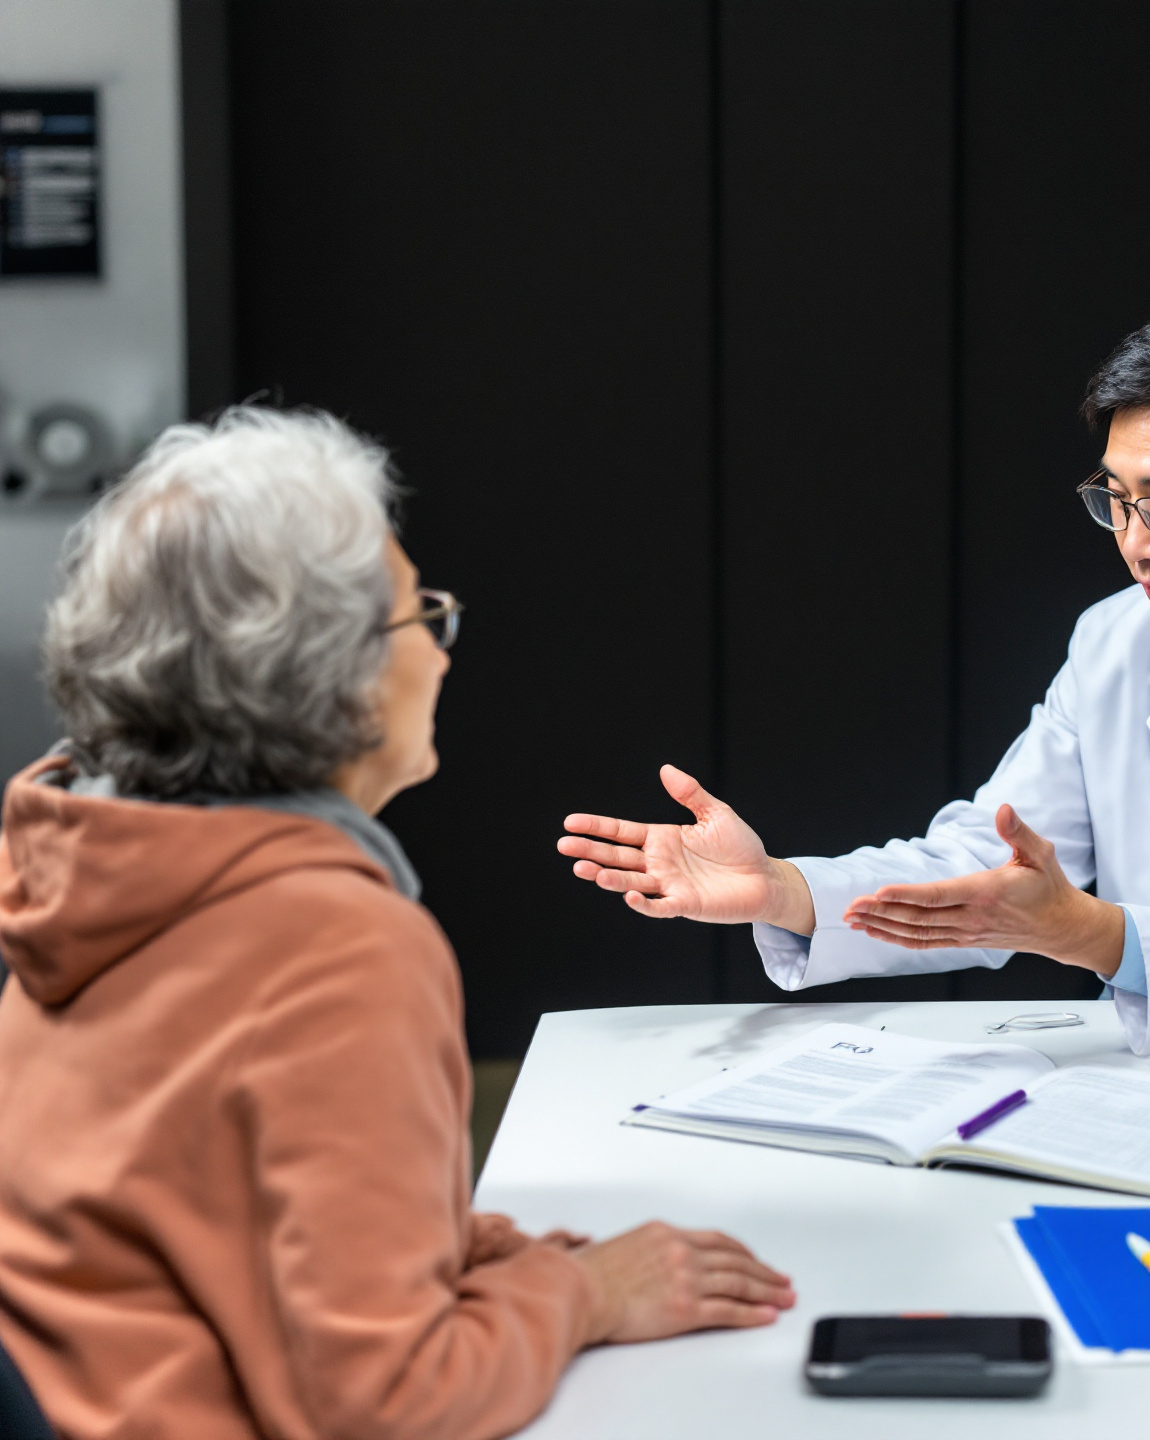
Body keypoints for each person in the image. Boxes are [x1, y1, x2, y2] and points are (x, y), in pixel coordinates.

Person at [0, 408, 794, 1440]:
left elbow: (190, 1206)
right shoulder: (334, 942)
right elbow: (390, 1403)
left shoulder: (87, 865)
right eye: (419, 613)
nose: (443, 650)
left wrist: (477, 1252)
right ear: (330, 676)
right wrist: (592, 1293)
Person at [560, 304, 1150, 1057]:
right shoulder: (1116, 638)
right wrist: (786, 890)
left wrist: (1095, 934)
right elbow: (990, 864)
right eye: (1116, 500)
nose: (1137, 543)